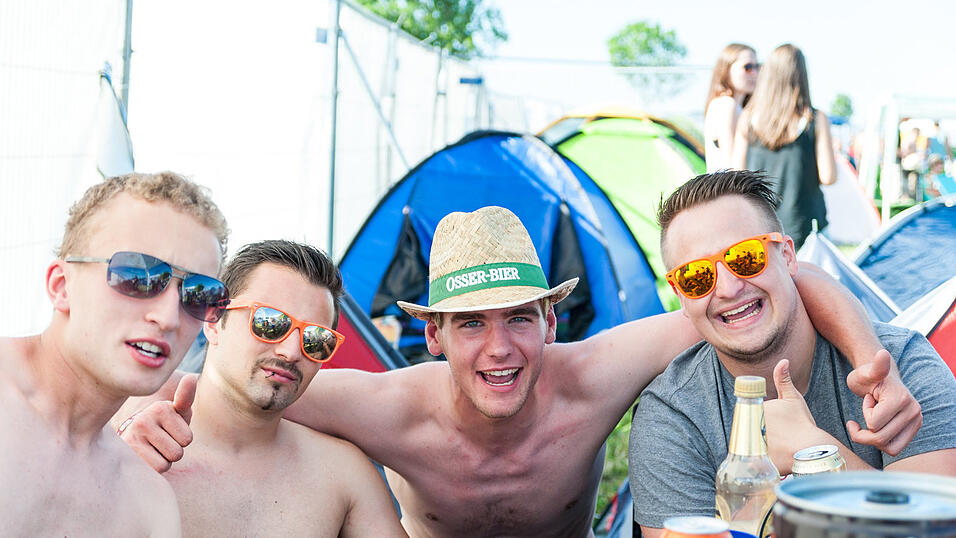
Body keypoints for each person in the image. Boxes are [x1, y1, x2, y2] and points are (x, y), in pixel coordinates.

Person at [122, 206, 918, 538]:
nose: (499, 348)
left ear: (551, 320)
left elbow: (762, 286)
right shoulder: (381, 407)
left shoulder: (598, 373)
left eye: (519, 319)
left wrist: (871, 362)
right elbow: (253, 374)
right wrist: (144, 408)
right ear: (432, 333)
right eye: (471, 324)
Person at [629, 170, 956, 536]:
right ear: (680, 297)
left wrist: (815, 453)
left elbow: (931, 531)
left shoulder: (902, 368)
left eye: (746, 257)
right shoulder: (674, 415)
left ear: (787, 255)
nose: (728, 287)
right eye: (696, 276)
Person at [116, 240, 406, 536]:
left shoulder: (343, 475)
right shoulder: (129, 446)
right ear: (214, 321)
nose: (291, 351)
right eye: (270, 323)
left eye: (316, 339)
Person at [0, 172, 229, 536]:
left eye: (198, 294)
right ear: (62, 286)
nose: (168, 317)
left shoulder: (150, 508)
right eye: (138, 276)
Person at [732, 43, 837, 250]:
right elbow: (829, 177)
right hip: (807, 227)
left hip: (761, 229)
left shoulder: (748, 118)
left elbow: (736, 175)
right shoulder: (814, 119)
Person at [704, 43, 759, 171]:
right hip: (729, 187)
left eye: (757, 67)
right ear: (726, 70)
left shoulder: (735, 106)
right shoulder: (726, 105)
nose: (754, 73)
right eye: (748, 67)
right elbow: (732, 166)